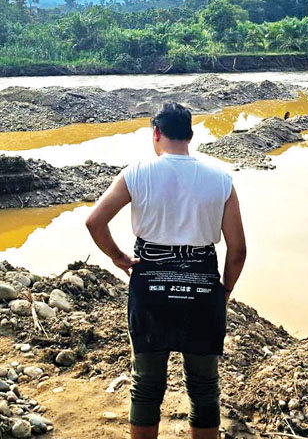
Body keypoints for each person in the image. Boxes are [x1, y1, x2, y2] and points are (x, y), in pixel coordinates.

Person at [86, 103, 247, 439]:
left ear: (156, 133)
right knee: (204, 386)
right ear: (190, 135)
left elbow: (94, 221)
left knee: (146, 385)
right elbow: (237, 251)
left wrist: (118, 257)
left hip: (150, 288)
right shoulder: (221, 180)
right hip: (202, 290)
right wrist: (224, 291)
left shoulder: (136, 174)